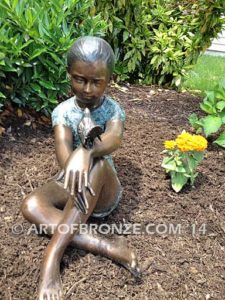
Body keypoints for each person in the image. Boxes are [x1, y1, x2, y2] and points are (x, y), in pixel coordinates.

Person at [21, 36, 140, 300]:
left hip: (103, 188)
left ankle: (51, 257)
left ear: (109, 80)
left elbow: (114, 139)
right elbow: (65, 159)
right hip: (73, 182)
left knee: (96, 165)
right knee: (30, 205)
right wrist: (75, 157)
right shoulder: (63, 112)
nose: (87, 89)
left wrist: (87, 151)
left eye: (96, 82)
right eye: (79, 79)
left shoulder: (112, 110)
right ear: (68, 75)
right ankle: (105, 244)